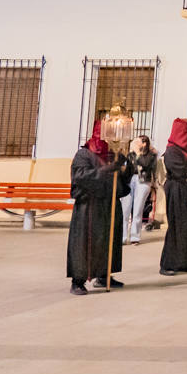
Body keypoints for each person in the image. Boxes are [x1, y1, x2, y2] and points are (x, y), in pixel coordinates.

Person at [67, 121, 133, 294]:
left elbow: (121, 180)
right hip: (90, 206)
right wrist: (107, 170)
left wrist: (126, 168)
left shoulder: (112, 154)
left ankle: (104, 275)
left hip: (108, 204)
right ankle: (78, 281)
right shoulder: (84, 154)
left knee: (109, 240)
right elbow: (81, 176)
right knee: (85, 243)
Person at [159, 118, 187, 276]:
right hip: (177, 190)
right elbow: (180, 170)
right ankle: (168, 264)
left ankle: (184, 262)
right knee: (177, 226)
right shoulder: (172, 151)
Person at [120, 135, 157, 244]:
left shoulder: (151, 155)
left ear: (144, 143)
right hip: (130, 180)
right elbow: (126, 168)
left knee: (138, 209)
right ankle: (122, 236)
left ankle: (134, 237)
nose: (135, 142)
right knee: (125, 208)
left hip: (143, 181)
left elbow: (145, 164)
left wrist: (137, 153)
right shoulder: (131, 154)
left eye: (138, 141)